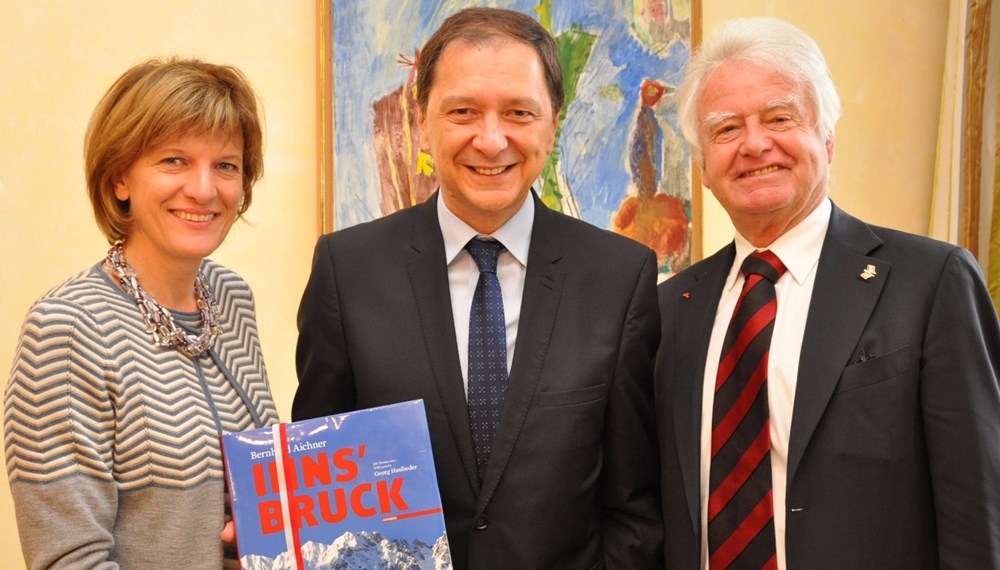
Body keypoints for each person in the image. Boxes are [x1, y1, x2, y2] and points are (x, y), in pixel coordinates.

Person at [292, 7, 662, 569]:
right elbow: (319, 491)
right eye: (462, 111)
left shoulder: (620, 277)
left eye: (519, 112)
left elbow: (632, 507)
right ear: (421, 121)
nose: (491, 141)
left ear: (553, 123)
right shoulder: (348, 271)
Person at [655, 16, 1000, 569]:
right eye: (725, 129)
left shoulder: (932, 282)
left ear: (828, 138)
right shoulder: (670, 309)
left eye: (780, 117)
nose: (755, 143)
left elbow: (977, 508)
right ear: (703, 164)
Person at [3, 57, 279, 569]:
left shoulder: (231, 298)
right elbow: (68, 560)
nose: (203, 189)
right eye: (174, 160)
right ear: (119, 179)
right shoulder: (67, 328)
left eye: (226, 165)